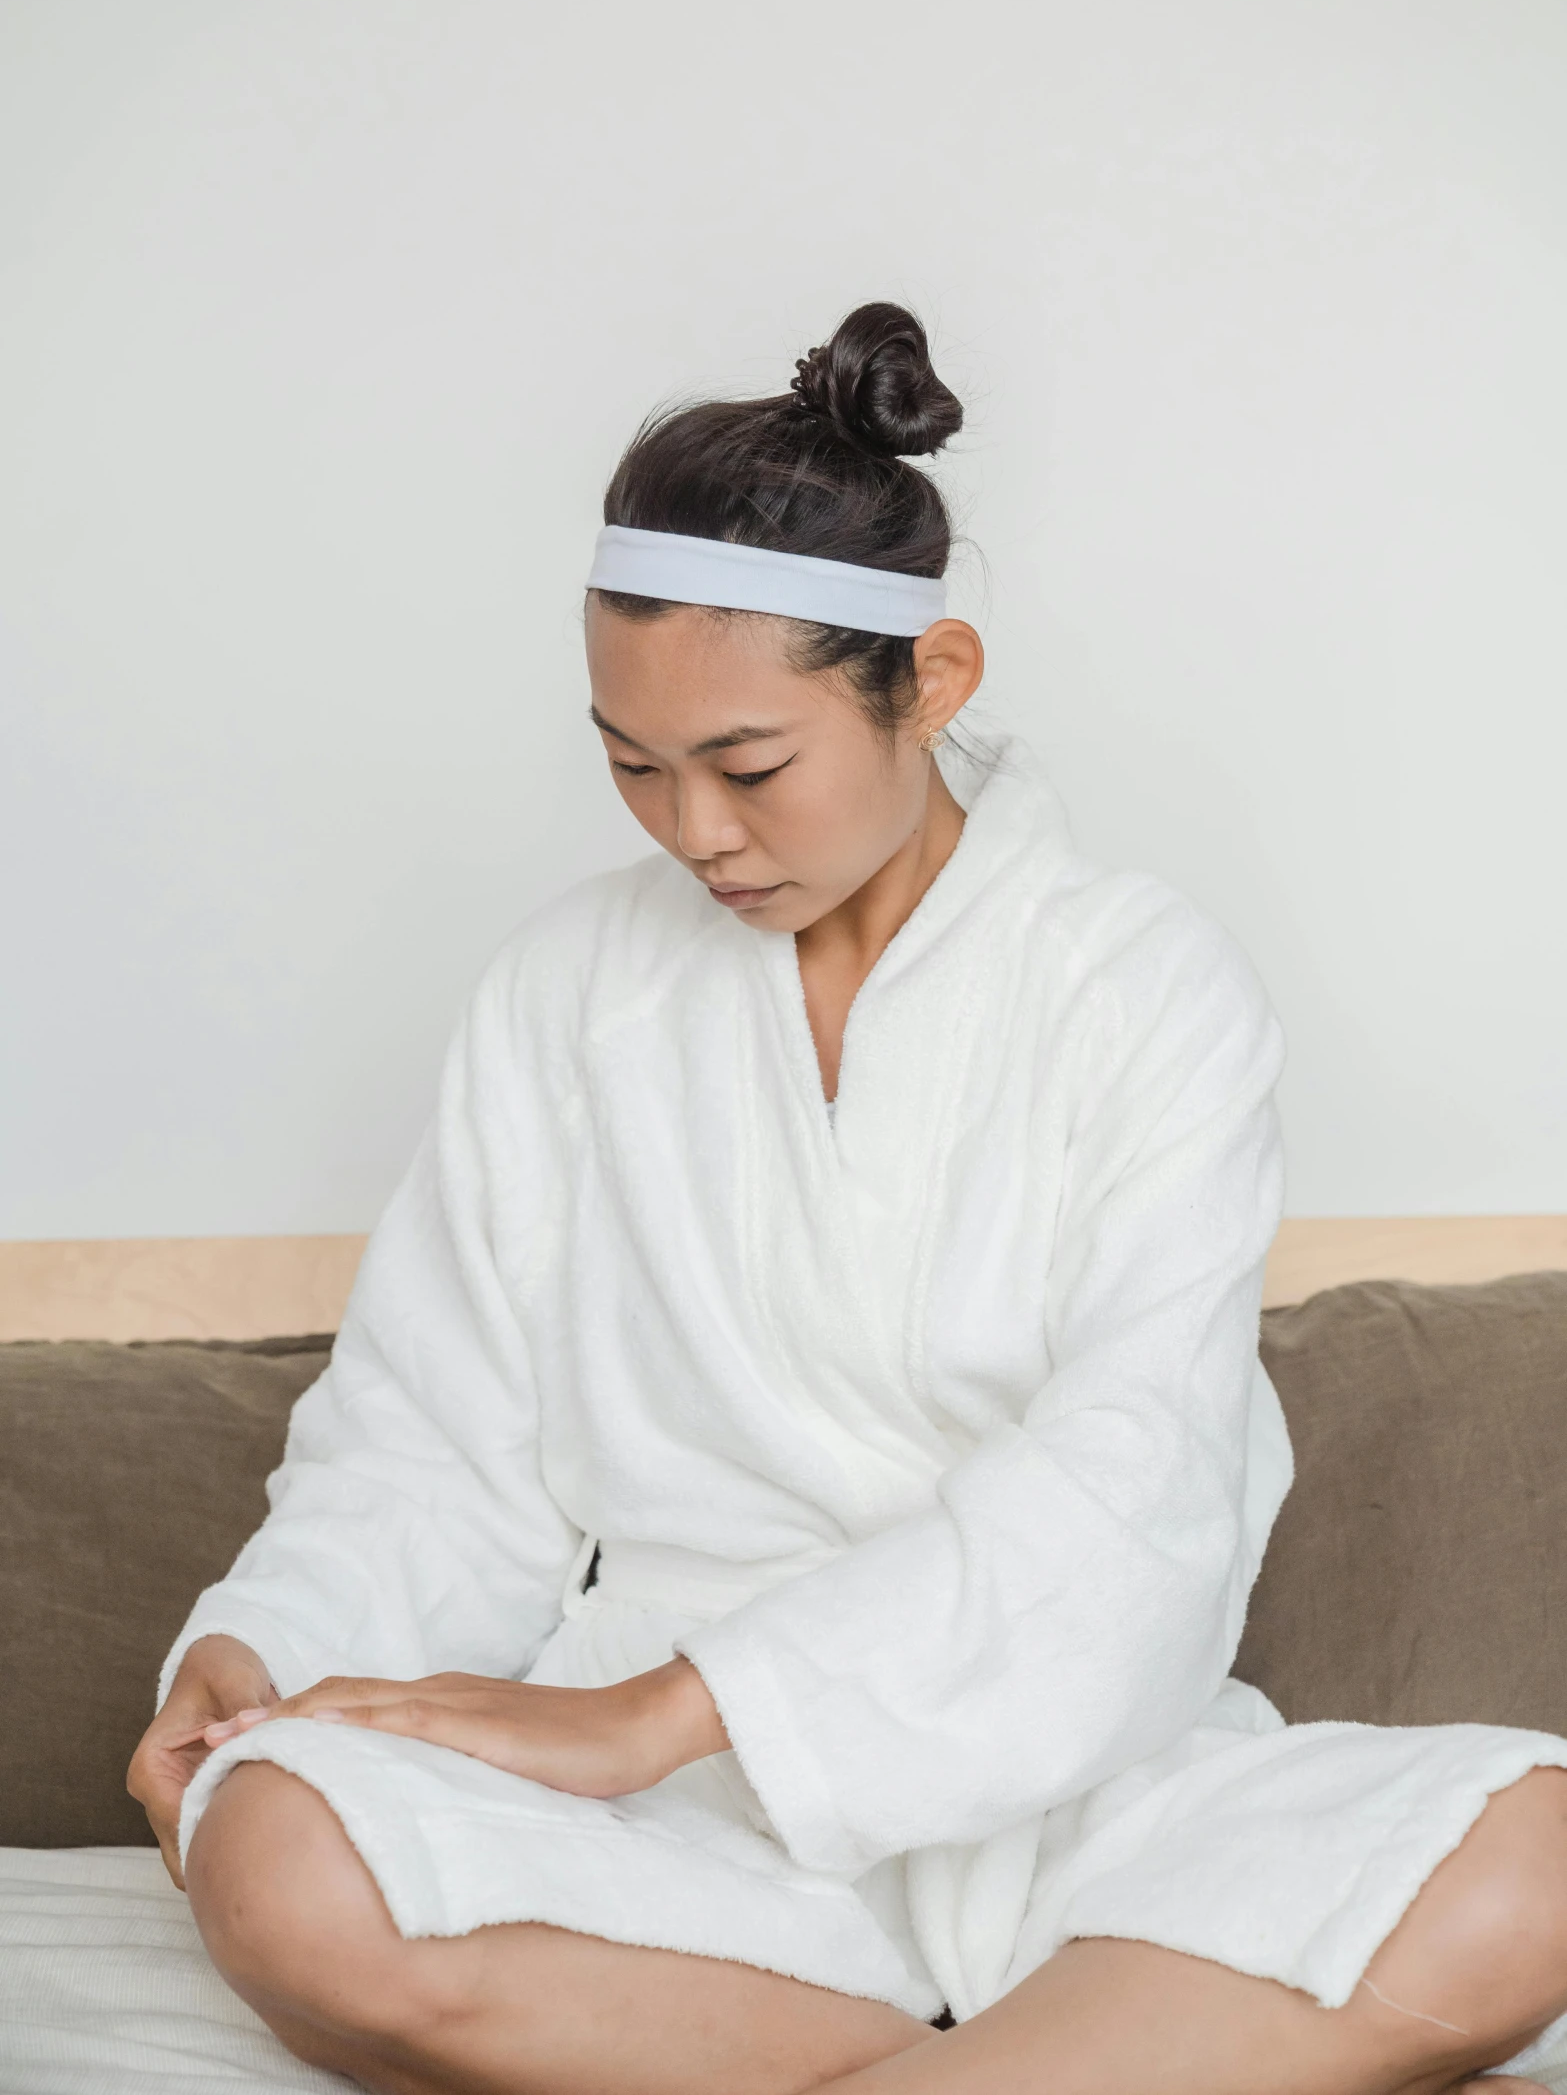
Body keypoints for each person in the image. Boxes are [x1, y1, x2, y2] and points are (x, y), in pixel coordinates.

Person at [130, 303, 1567, 2095]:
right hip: (670, 1817)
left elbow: (1138, 1475)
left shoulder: (1137, 983)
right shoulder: (567, 989)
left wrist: (664, 1711)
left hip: (1070, 1778)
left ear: (933, 678)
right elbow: (434, 1435)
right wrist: (265, 1650)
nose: (694, 834)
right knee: (274, 1849)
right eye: (629, 765)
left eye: (747, 767)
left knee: (1533, 1849)